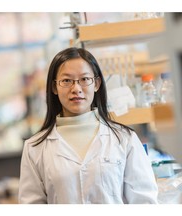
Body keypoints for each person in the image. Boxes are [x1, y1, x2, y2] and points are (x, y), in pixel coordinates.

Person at [18, 47, 158, 204]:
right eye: (66, 81)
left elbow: (145, 203)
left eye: (84, 79)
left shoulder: (125, 139)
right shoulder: (35, 148)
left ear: (96, 84)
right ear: (54, 87)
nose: (76, 89)